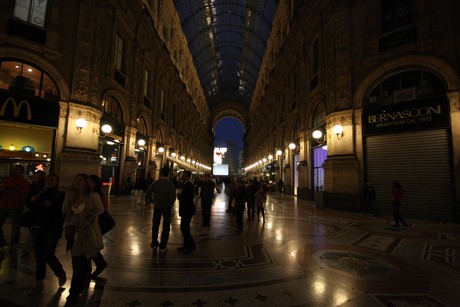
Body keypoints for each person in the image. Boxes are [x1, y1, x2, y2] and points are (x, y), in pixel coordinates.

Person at [62, 173, 104, 305]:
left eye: (80, 180)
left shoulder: (93, 196)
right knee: (79, 262)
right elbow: (64, 210)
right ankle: (81, 284)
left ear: (86, 182)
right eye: (75, 180)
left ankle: (74, 294)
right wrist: (68, 196)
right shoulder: (72, 195)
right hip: (74, 232)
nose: (77, 182)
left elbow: (101, 210)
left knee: (79, 263)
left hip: (87, 232)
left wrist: (85, 218)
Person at [28, 173, 66, 291]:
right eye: (47, 180)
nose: (49, 182)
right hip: (37, 227)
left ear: (57, 182)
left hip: (51, 229)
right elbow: (32, 207)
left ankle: (60, 273)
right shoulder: (40, 193)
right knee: (39, 255)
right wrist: (36, 202)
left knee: (48, 254)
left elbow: (59, 212)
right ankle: (39, 280)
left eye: (52, 180)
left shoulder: (60, 195)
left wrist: (48, 205)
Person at [145, 166, 176, 253]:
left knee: (155, 225)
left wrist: (153, 201)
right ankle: (163, 246)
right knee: (166, 226)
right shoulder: (171, 184)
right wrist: (169, 203)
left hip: (157, 207)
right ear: (168, 174)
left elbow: (147, 194)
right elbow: (173, 197)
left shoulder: (155, 183)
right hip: (167, 208)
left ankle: (154, 244)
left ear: (161, 173)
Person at [0, 164, 31, 250]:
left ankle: (14, 243)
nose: (14, 171)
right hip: (4, 204)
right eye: (14, 169)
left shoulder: (24, 182)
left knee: (15, 226)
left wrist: (12, 193)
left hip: (15, 205)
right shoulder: (7, 179)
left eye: (17, 169)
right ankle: (2, 240)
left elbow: (25, 194)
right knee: (13, 226)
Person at [89, 175, 109, 279]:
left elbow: (105, 209)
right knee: (89, 245)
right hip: (87, 224)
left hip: (94, 223)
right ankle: (99, 263)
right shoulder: (88, 193)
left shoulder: (98, 194)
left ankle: (100, 263)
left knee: (90, 245)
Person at [177, 170, 196, 254]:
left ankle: (189, 246)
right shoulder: (186, 184)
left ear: (187, 176)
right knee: (184, 228)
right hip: (186, 209)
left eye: (183, 175)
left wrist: (179, 196)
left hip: (187, 210)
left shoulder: (189, 185)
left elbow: (189, 197)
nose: (181, 176)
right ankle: (187, 245)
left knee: (185, 228)